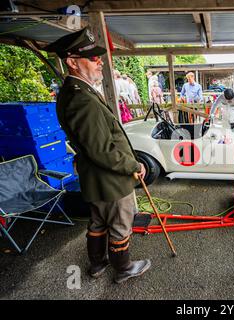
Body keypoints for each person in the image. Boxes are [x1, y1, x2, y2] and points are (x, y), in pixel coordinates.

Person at [43, 28, 151, 284]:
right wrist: (132, 164)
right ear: (72, 62)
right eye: (93, 58)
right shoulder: (81, 99)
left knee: (98, 221)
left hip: (96, 177)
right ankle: (123, 268)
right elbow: (101, 150)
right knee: (120, 224)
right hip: (109, 178)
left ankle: (98, 264)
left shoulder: (79, 91)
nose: (100, 60)